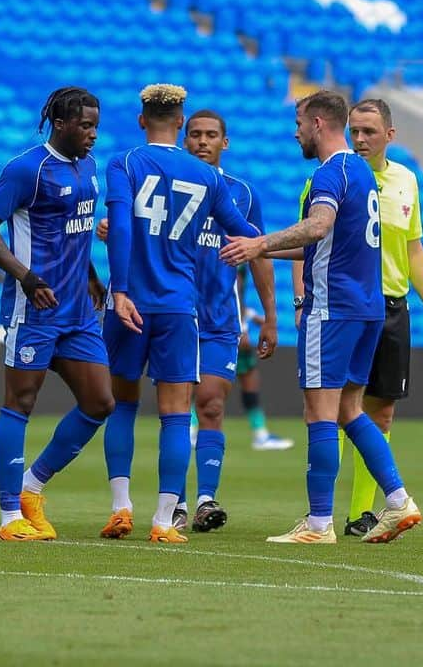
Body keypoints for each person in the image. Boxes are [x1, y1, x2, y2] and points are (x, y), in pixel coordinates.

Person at [221, 91, 422, 545]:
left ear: (316, 123)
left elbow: (317, 227)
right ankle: (398, 500)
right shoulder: (363, 174)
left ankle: (318, 525)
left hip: (332, 311)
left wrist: (258, 245)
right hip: (368, 309)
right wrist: (261, 245)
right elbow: (323, 244)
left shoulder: (329, 174)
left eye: (298, 123)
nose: (295, 133)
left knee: (319, 413)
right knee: (351, 410)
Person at [99, 84, 260, 544]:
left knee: (123, 405)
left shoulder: (124, 163)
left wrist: (122, 290)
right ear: (181, 123)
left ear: (140, 119)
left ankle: (120, 507)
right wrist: (296, 242)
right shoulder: (208, 179)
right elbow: (244, 233)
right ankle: (164, 520)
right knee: (175, 413)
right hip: (177, 307)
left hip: (129, 305)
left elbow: (122, 228)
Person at [0, 86, 114, 542]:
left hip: (77, 311)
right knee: (21, 403)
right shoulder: (28, 169)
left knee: (99, 403)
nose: (93, 134)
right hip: (34, 308)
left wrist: (91, 275)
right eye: (85, 125)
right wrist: (25, 277)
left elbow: (75, 232)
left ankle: (32, 486)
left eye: (96, 125)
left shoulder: (88, 168)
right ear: (61, 123)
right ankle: (10, 517)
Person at [340, 98, 423, 536]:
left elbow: (413, 248)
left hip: (392, 308)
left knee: (380, 414)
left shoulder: (406, 181)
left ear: (390, 135)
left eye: (369, 131)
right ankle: (323, 512)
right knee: (339, 409)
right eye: (355, 131)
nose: (360, 139)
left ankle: (360, 513)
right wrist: (300, 297)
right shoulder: (338, 175)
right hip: (347, 306)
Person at [172, 109, 279, 533]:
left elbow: (260, 254)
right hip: (175, 316)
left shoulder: (243, 195)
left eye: (211, 135)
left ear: (225, 142)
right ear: (184, 141)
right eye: (194, 134)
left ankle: (204, 500)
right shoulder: (170, 188)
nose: (202, 141)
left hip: (219, 319)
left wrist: (270, 316)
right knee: (177, 411)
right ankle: (174, 502)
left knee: (211, 404)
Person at [234, 267, 294, 451]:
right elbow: (232, 290)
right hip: (226, 329)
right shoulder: (231, 254)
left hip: (228, 323)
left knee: (247, 379)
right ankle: (260, 434)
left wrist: (250, 315)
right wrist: (242, 327)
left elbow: (236, 292)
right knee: (212, 384)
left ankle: (260, 433)